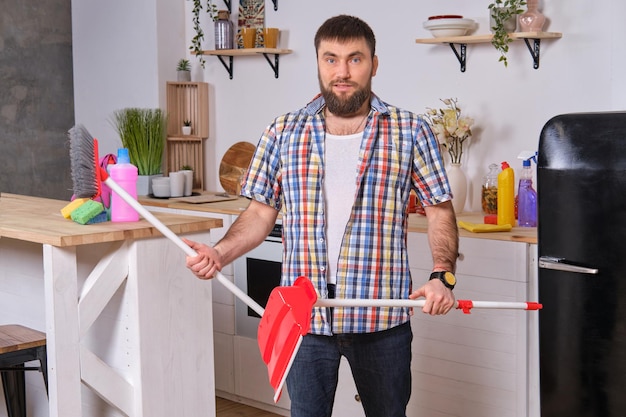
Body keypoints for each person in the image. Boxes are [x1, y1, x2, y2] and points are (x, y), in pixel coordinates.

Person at [184, 14, 459, 417]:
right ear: (317, 63)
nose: (342, 72)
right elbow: (260, 212)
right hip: (305, 320)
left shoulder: (410, 130)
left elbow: (439, 211)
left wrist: (442, 275)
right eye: (331, 59)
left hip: (380, 320)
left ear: (374, 65)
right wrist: (219, 253)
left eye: (354, 59)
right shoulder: (283, 131)